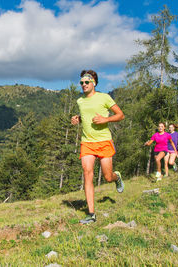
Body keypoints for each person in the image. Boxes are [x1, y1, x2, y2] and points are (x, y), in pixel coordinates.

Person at [71, 69, 125, 224]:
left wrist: (105, 120)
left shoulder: (104, 97)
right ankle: (91, 214)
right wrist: (77, 119)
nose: (83, 85)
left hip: (103, 142)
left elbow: (121, 115)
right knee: (87, 172)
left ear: (93, 83)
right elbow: (86, 116)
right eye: (81, 82)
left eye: (86, 82)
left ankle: (117, 177)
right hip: (87, 142)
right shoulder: (80, 101)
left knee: (108, 177)